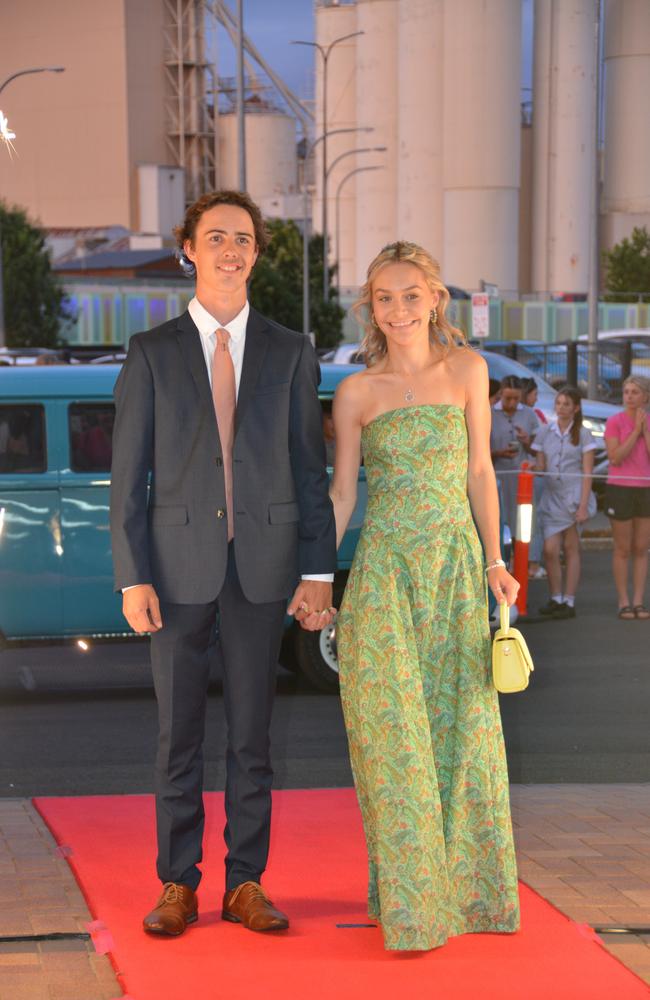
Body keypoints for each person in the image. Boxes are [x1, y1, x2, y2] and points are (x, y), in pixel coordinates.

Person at [110, 190, 337, 938]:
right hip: (173, 572)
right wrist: (131, 574)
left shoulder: (290, 349)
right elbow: (128, 478)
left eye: (243, 238)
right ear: (189, 249)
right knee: (177, 736)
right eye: (216, 238)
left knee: (252, 737)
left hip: (264, 569)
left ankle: (246, 882)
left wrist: (318, 572)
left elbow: (310, 470)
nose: (230, 250)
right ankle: (177, 883)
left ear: (258, 254)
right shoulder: (150, 353)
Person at [330, 240, 520, 952]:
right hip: (384, 576)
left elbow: (480, 472)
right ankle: (413, 906)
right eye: (385, 297)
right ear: (370, 308)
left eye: (412, 294)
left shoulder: (468, 371)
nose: (399, 309)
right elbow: (344, 493)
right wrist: (317, 575)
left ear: (437, 298)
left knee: (463, 734)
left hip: (456, 572)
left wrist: (495, 560)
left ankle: (469, 893)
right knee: (394, 740)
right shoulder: (356, 392)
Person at [532, 386, 597, 619]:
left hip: (573, 496)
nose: (561, 408)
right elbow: (540, 467)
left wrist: (582, 506)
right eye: (558, 403)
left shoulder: (584, 434)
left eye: (567, 404)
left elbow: (588, 473)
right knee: (550, 550)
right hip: (552, 497)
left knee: (571, 548)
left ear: (576, 408)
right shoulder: (544, 432)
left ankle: (568, 600)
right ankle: (555, 596)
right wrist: (532, 467)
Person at [603, 375, 650, 620]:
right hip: (620, 488)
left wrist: (645, 430)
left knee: (641, 548)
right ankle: (624, 601)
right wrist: (635, 433)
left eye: (635, 392)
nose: (630, 397)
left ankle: (639, 601)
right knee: (622, 548)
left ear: (645, 397)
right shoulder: (614, 422)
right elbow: (616, 457)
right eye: (626, 392)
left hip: (646, 489)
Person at [490, 375, 538, 542]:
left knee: (522, 526)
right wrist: (498, 453)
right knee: (498, 523)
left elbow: (537, 451)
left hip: (521, 479)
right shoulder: (490, 413)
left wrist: (526, 441)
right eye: (507, 398)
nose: (511, 403)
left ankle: (523, 562)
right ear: (500, 395)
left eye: (516, 399)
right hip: (497, 477)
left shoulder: (529, 414)